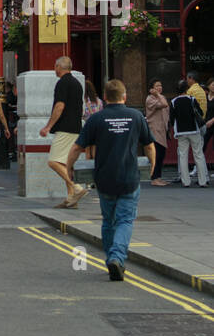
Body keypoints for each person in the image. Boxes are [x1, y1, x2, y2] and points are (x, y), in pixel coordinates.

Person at [66, 78, 156, 281]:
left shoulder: (97, 119)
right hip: (129, 178)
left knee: (108, 221)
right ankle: (117, 257)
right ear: (125, 96)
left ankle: (111, 260)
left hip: (104, 179)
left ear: (105, 98)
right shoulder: (136, 116)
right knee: (125, 220)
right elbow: (149, 145)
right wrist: (152, 166)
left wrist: (69, 167)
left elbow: (76, 147)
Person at [39, 55, 87, 209]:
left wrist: (48, 127)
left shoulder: (62, 83)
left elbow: (59, 106)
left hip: (65, 128)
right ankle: (71, 199)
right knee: (66, 163)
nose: (54, 69)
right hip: (76, 127)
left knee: (53, 161)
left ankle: (76, 188)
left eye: (55, 66)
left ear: (60, 67)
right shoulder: (76, 83)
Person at [169, 79, 209, 188]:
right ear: (187, 89)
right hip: (193, 130)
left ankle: (185, 181)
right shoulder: (192, 99)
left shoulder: (173, 101)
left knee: (183, 155)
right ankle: (202, 181)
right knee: (198, 155)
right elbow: (200, 112)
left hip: (181, 132)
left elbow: (172, 119)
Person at [145, 79, 170, 185]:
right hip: (154, 130)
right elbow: (164, 104)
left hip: (162, 130)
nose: (160, 87)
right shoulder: (150, 99)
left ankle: (158, 177)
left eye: (160, 85)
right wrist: (158, 95)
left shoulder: (161, 97)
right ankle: (154, 178)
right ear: (151, 89)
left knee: (161, 155)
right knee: (157, 155)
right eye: (157, 86)